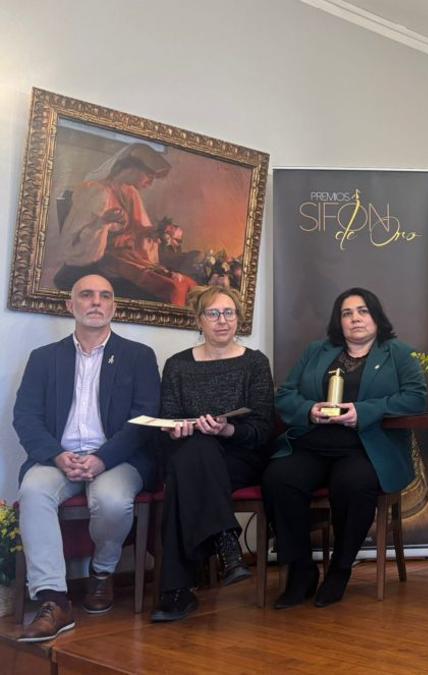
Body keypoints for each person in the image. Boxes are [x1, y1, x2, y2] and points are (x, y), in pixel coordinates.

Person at [12, 274, 160, 641]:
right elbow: (25, 417)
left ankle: (102, 573)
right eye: (87, 295)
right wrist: (56, 455)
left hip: (117, 458)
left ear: (114, 307)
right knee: (33, 491)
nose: (96, 301)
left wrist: (103, 458)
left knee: (111, 500)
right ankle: (54, 599)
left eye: (105, 296)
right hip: (57, 459)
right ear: (70, 305)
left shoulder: (138, 356)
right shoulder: (44, 358)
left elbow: (145, 419)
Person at [265, 288, 427, 609]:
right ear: (338, 321)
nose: (355, 318)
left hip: (366, 446)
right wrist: (310, 409)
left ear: (376, 316)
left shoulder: (398, 353)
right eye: (347, 313)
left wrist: (363, 411)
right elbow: (284, 395)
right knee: (278, 478)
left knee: (353, 484)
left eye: (362, 311)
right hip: (313, 442)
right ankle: (301, 570)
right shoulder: (317, 351)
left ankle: (340, 569)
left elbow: (416, 398)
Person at [151, 286, 274, 622]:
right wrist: (176, 429)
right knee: (194, 451)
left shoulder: (255, 363)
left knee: (185, 474)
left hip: (239, 457)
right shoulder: (177, 365)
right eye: (213, 314)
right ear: (199, 320)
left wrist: (227, 429)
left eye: (229, 313)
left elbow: (263, 429)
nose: (222, 321)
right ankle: (227, 546)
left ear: (238, 318)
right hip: (191, 454)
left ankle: (176, 592)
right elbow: (168, 418)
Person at [53, 143, 170, 292]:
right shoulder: (96, 191)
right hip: (93, 265)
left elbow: (139, 229)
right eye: (149, 176)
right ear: (132, 169)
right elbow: (73, 242)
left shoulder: (130, 193)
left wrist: (155, 233)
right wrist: (102, 223)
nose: (150, 183)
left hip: (123, 261)